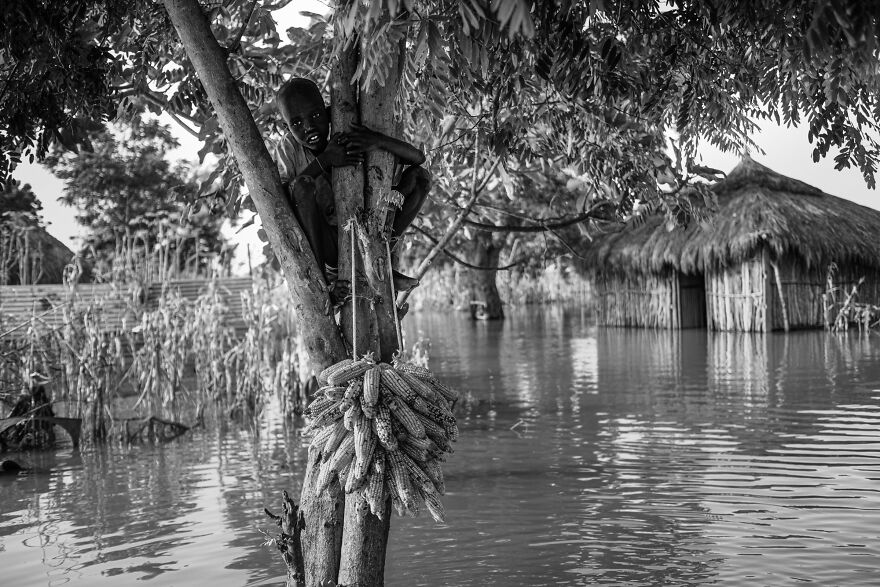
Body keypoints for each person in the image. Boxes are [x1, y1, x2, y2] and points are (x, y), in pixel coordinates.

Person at [274, 78, 430, 298]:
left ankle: (380, 254)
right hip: (329, 247)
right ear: (286, 127)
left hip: (369, 230)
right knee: (301, 185)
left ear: (327, 112)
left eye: (316, 116)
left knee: (420, 178)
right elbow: (283, 201)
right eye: (297, 123)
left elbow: (418, 158)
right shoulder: (288, 148)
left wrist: (377, 140)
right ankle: (324, 285)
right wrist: (326, 159)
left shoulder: (343, 128)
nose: (309, 127)